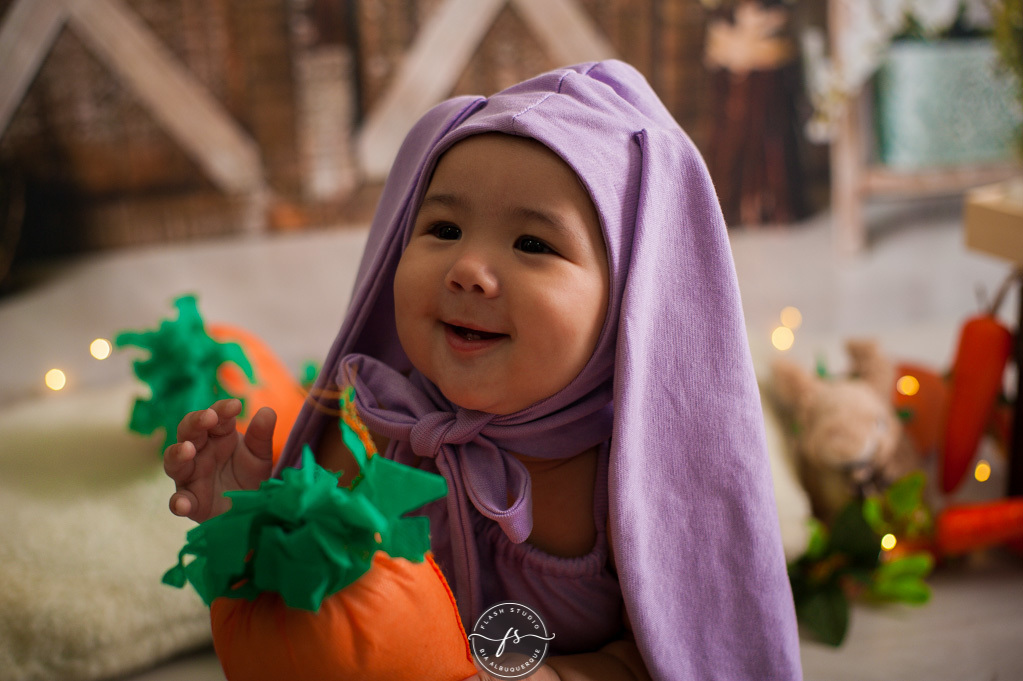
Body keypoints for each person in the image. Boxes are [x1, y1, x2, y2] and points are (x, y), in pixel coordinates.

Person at [164, 60, 802, 681]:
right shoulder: (376, 421)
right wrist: (242, 520)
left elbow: (676, 656)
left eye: (533, 244)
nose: (468, 268)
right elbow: (311, 594)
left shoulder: (640, 475)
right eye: (442, 228)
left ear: (629, 298)